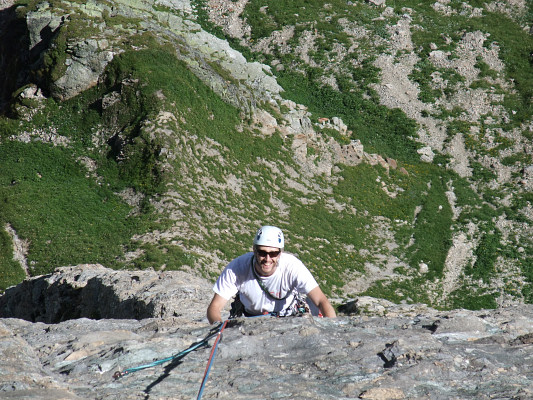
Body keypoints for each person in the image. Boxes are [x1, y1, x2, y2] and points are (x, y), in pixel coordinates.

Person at [207, 225, 336, 324]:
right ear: (254, 250)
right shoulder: (237, 268)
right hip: (250, 318)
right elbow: (214, 307)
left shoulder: (293, 267)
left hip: (289, 315)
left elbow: (321, 300)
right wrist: (219, 328)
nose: (267, 259)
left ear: (280, 253)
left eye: (273, 253)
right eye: (262, 252)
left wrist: (332, 327)